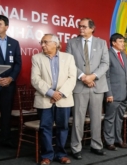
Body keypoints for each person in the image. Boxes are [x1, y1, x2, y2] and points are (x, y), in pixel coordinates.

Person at [66, 18, 109, 158]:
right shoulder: (72, 43)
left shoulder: (101, 43)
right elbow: (70, 63)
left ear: (92, 28)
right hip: (80, 85)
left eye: (84, 27)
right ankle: (76, 148)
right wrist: (84, 77)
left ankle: (96, 145)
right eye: (79, 26)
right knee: (78, 119)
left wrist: (93, 76)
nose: (81, 29)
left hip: (97, 86)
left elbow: (105, 63)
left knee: (97, 118)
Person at [31, 34, 76, 165]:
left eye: (45, 42)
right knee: (45, 128)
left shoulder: (68, 58)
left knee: (63, 127)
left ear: (55, 44)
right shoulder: (36, 58)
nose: (42, 45)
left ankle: (61, 154)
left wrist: (60, 93)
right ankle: (47, 156)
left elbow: (72, 78)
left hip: (64, 99)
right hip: (45, 99)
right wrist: (51, 93)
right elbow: (35, 79)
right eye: (42, 42)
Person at [0, 15, 22, 154]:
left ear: (6, 26)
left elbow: (18, 64)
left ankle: (5, 139)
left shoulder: (14, 43)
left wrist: (10, 78)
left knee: (6, 114)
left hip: (8, 85)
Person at [104, 33, 127, 150]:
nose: (123, 44)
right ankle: (109, 142)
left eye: (123, 42)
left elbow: (125, 75)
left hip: (124, 94)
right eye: (120, 41)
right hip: (113, 94)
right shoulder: (107, 54)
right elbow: (106, 76)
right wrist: (108, 93)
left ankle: (118, 140)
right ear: (113, 42)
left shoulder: (123, 55)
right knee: (110, 119)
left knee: (119, 119)